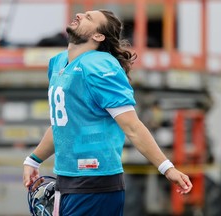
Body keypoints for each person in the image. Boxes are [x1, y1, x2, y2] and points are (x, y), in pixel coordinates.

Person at [23, 9, 193, 216]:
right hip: (66, 178)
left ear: (98, 36)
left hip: (96, 182)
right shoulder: (58, 63)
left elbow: (132, 126)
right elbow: (63, 124)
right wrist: (33, 160)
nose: (79, 15)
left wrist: (167, 168)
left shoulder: (100, 65)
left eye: (89, 17)